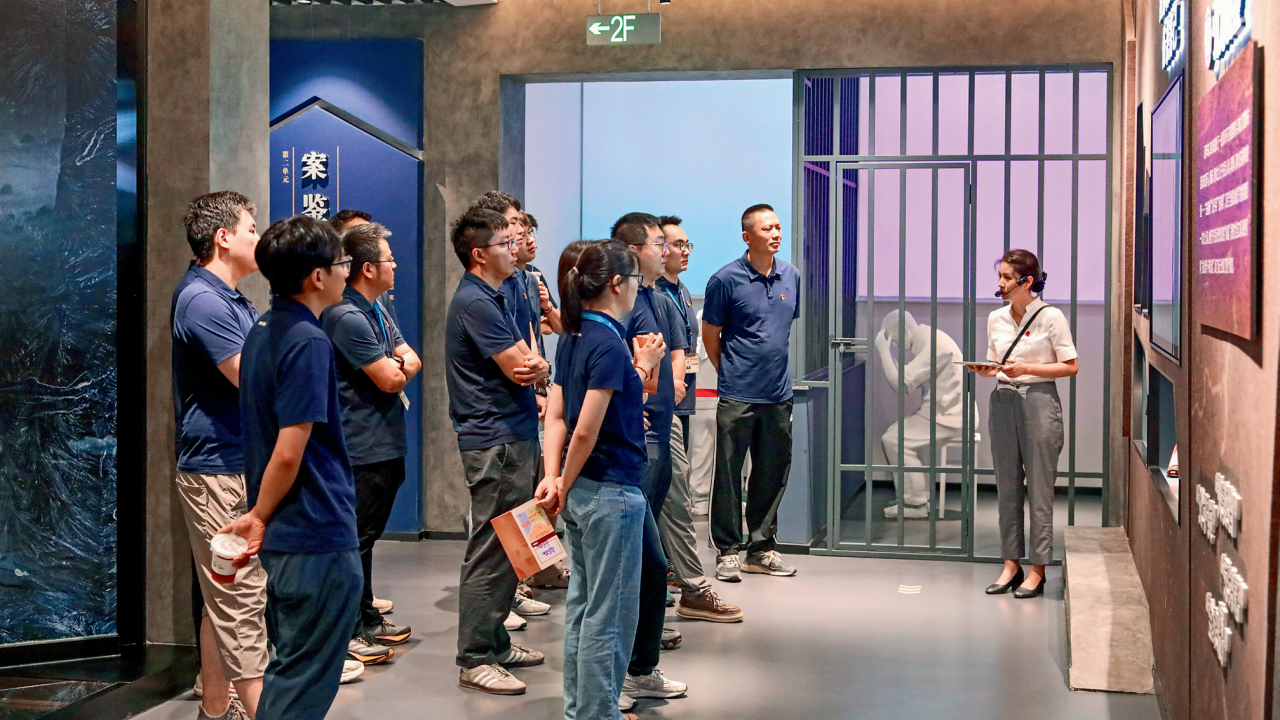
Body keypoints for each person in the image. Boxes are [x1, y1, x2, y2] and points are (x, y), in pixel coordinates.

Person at [219, 215, 361, 720]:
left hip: (290, 533)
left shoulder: (263, 328)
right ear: (317, 276)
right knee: (303, 680)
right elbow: (288, 448)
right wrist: (258, 514)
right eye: (342, 263)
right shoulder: (309, 340)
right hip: (314, 528)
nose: (347, 271)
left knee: (291, 670)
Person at [536, 240, 663, 720]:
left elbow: (558, 416)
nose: (638, 290)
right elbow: (585, 428)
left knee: (585, 608)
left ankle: (584, 709)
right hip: (611, 491)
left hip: (585, 492)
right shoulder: (608, 341)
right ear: (616, 283)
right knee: (609, 617)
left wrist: (555, 477)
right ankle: (598, 713)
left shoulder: (571, 336)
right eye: (635, 281)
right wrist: (562, 481)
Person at [445, 208, 550, 695]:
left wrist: (537, 367)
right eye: (506, 242)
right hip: (495, 439)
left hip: (515, 431)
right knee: (493, 545)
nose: (516, 247)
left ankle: (496, 641)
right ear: (479, 254)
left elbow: (533, 361)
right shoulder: (476, 302)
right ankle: (475, 657)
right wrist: (536, 369)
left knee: (517, 543)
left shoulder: (502, 293)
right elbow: (520, 367)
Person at [172, 191, 267, 720]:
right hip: (216, 471)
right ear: (223, 238)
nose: (259, 237)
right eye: (251, 228)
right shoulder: (203, 302)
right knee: (241, 601)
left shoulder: (231, 298)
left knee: (223, 596)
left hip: (235, 464)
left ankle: (215, 710)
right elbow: (251, 379)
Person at [320, 222, 421, 664]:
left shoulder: (377, 309)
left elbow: (410, 359)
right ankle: (346, 631)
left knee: (365, 539)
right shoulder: (346, 316)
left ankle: (365, 618)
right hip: (360, 447)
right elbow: (389, 379)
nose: (395, 265)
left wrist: (398, 364)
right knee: (354, 542)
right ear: (367, 269)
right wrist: (396, 366)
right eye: (388, 260)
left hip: (384, 442)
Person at [470, 192, 568, 608]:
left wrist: (541, 380)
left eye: (523, 227)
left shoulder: (530, 279)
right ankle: (512, 587)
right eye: (512, 227)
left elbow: (548, 329)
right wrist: (535, 379)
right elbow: (515, 351)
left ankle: (534, 569)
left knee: (532, 493)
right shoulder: (490, 290)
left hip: (533, 396)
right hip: (503, 410)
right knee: (500, 507)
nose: (521, 235)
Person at [964, 249, 1077, 599]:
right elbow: (996, 362)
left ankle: (1038, 569)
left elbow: (1071, 366)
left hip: (1039, 401)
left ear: (1027, 281)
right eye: (999, 276)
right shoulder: (995, 318)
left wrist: (1027, 369)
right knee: (1007, 488)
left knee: (1040, 490)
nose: (1000, 283)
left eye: (1006, 277)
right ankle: (1010, 564)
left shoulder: (1051, 316)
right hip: (1003, 400)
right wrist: (986, 370)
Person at [612, 213, 689, 703]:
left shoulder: (659, 297)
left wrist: (670, 382)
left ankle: (640, 666)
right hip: (632, 446)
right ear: (633, 251)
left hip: (658, 435)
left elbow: (673, 354)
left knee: (649, 563)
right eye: (659, 243)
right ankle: (619, 672)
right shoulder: (617, 310)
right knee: (634, 563)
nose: (667, 250)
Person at [703, 203, 801, 582]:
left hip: (778, 393)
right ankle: (728, 550)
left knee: (771, 472)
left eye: (778, 227)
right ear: (747, 236)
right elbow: (711, 335)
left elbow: (779, 332)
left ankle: (761, 548)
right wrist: (729, 371)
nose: (775, 234)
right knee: (729, 474)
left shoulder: (791, 276)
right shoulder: (725, 280)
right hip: (738, 393)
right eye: (766, 229)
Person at [655, 216, 743, 623]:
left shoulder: (681, 293)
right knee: (671, 493)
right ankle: (684, 581)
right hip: (661, 405)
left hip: (681, 401)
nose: (684, 251)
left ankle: (673, 572)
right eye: (676, 244)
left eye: (687, 244)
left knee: (675, 488)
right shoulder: (651, 295)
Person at [874, 309, 967, 519]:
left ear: (904, 330)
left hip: (948, 416)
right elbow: (906, 377)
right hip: (941, 412)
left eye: (894, 340)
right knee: (895, 433)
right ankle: (916, 497)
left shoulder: (934, 345)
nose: (895, 345)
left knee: (893, 439)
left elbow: (900, 384)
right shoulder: (929, 339)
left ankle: (915, 503)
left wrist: (883, 351)